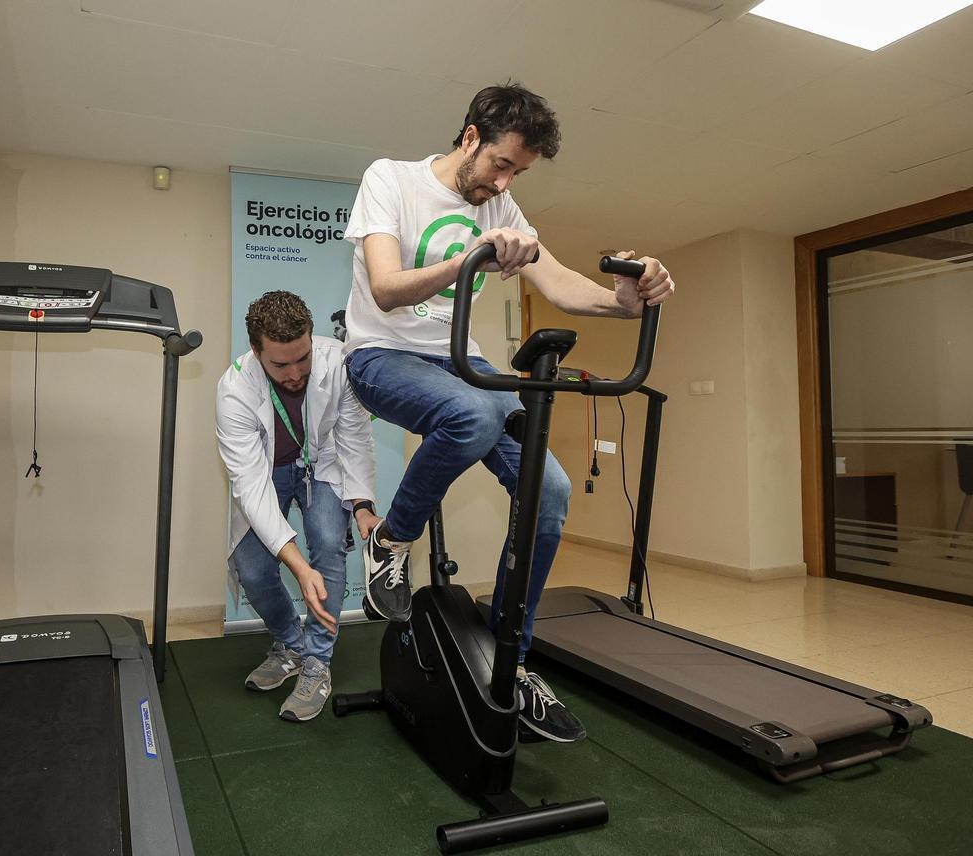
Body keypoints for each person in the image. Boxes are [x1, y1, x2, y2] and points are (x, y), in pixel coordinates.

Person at [341, 82, 675, 742]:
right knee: (477, 413)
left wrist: (627, 300)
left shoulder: (502, 203)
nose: (505, 181)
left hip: (461, 366)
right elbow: (383, 289)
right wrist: (471, 257)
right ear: (470, 137)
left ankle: (510, 666)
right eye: (501, 165)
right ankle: (390, 540)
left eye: (518, 173)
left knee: (549, 490)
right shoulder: (391, 179)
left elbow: (562, 285)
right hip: (381, 357)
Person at [217, 291, 380, 722]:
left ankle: (317, 663)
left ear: (311, 337)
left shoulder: (338, 362)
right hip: (267, 473)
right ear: (256, 352)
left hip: (321, 465)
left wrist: (362, 504)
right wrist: (296, 565)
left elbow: (354, 438)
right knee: (252, 568)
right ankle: (290, 643)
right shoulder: (234, 390)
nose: (295, 373)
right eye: (280, 365)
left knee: (328, 545)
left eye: (302, 358)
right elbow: (250, 486)